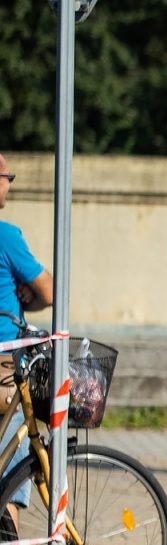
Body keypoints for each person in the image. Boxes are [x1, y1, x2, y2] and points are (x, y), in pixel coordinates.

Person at [0, 154, 52, 525]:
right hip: (3, 370)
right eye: (8, 176)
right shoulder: (6, 236)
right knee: (7, 487)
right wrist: (28, 296)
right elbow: (48, 290)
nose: (10, 184)